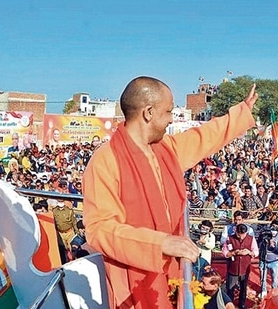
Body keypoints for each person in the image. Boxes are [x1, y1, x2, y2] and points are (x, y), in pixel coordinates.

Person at [82, 77, 258, 308]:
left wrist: (241, 113)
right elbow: (100, 229)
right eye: (168, 111)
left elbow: (204, 137)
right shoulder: (106, 160)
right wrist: (160, 244)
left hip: (171, 273)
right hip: (132, 283)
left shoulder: (164, 149)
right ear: (149, 112)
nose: (171, 119)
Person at [222, 224, 258, 309]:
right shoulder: (230, 239)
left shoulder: (251, 239)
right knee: (230, 288)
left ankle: (242, 304)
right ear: (236, 231)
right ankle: (229, 304)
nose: (241, 237)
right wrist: (234, 253)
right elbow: (225, 252)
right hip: (233, 268)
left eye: (243, 235)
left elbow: (256, 251)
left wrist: (249, 252)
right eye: (239, 235)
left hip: (245, 268)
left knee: (243, 288)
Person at [258, 219, 278, 299]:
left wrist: (274, 247)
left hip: (275, 261)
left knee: (275, 278)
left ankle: (274, 292)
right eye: (273, 227)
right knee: (263, 278)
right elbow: (258, 244)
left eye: (276, 228)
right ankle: (263, 291)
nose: (274, 229)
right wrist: (264, 241)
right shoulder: (264, 233)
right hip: (263, 259)